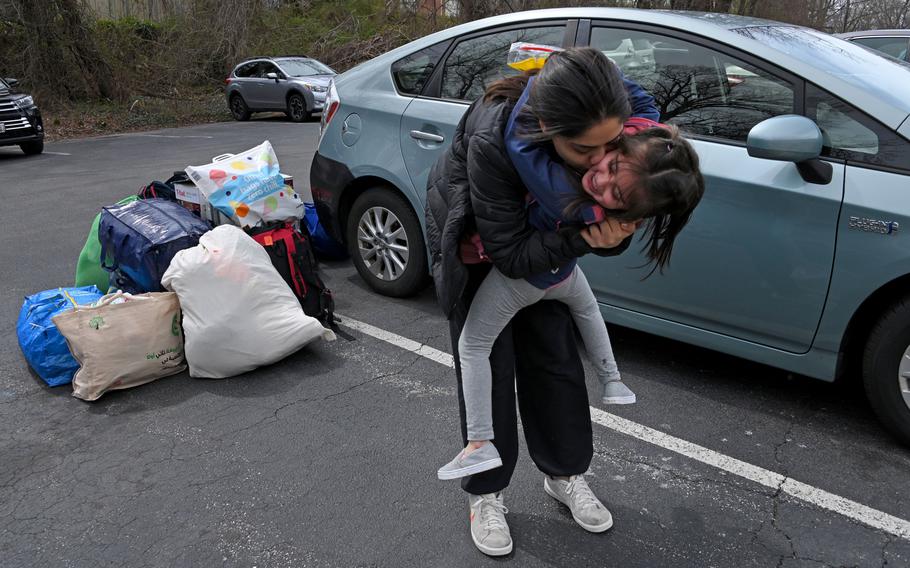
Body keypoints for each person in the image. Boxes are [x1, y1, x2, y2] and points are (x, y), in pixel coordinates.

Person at [425, 47, 697, 557]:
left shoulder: (604, 137)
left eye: (610, 148)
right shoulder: (496, 139)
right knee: (490, 367)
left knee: (555, 362)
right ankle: (487, 493)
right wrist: (583, 237)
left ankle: (564, 473)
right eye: (582, 151)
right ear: (548, 127)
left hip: (545, 249)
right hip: (483, 249)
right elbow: (508, 254)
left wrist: (612, 227)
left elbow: (612, 225)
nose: (598, 164)